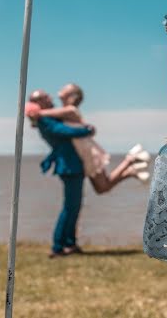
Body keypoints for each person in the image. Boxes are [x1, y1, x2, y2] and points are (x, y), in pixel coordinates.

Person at [27, 86, 149, 258]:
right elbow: (65, 131)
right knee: (70, 207)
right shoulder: (45, 120)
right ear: (37, 103)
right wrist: (88, 129)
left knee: (74, 207)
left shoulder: (52, 116)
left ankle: (69, 244)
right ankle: (58, 247)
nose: (49, 97)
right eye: (44, 97)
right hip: (69, 166)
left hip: (74, 164)